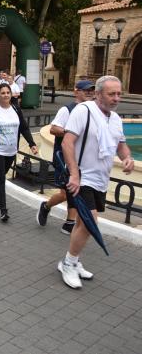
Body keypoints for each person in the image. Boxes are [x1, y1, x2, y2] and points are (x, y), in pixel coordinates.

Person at [58, 76, 133, 289]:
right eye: (111, 94)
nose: (116, 98)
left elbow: (121, 145)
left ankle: (73, 260)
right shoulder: (84, 111)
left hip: (101, 180)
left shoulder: (116, 119)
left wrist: (127, 157)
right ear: (98, 94)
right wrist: (74, 174)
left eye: (119, 94)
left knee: (83, 224)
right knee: (91, 223)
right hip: (82, 178)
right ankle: (68, 263)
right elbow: (67, 142)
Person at [37, 80, 97, 234]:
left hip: (82, 159)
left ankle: (69, 222)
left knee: (74, 190)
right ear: (76, 91)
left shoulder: (93, 110)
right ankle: (46, 207)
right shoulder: (67, 109)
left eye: (92, 90)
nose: (90, 92)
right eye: (86, 90)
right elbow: (54, 129)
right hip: (64, 158)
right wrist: (71, 133)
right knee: (66, 192)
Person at [0, 84, 38, 221]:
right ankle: (4, 210)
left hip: (11, 151)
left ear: (11, 94)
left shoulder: (16, 109)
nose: (6, 95)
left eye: (8, 93)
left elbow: (24, 127)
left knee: (0, 176)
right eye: (3, 93)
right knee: (1, 178)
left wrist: (32, 144)